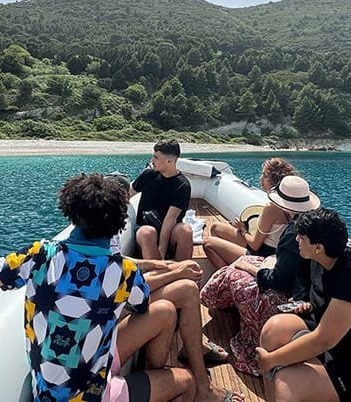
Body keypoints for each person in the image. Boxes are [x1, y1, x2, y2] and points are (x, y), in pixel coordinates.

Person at [0, 173, 194, 402]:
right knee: (186, 381)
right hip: (95, 395)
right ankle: (154, 375)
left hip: (48, 394)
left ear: (71, 212)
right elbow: (141, 305)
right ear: (120, 224)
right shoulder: (123, 272)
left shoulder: (38, 255)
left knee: (164, 313)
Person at [106, 173, 241, 402]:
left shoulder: (47, 256)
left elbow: (117, 264)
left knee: (167, 309)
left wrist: (155, 264)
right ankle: (199, 385)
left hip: (98, 335)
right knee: (186, 289)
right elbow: (133, 293)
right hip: (97, 368)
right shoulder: (99, 254)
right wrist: (175, 271)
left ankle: (163, 369)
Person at [255, 209, 351, 402]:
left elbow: (323, 341)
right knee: (273, 329)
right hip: (338, 346)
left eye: (301, 237)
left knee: (287, 383)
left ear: (317, 247)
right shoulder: (320, 260)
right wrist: (310, 305)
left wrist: (271, 360)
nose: (296, 239)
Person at [200, 176, 320, 376]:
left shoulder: (294, 234)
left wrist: (250, 268)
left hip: (287, 292)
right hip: (292, 281)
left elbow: (277, 279)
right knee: (237, 267)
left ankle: (231, 306)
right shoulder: (310, 226)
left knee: (233, 270)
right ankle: (231, 299)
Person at [203, 158, 301, 268]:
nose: (260, 178)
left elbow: (255, 245)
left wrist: (243, 229)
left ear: (273, 180)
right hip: (271, 248)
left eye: (264, 176)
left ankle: (225, 274)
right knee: (216, 227)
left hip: (264, 254)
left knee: (208, 243)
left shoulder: (272, 207)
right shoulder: (292, 205)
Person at [131, 139, 192, 261]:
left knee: (185, 231)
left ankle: (183, 271)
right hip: (145, 230)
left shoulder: (182, 185)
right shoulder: (148, 175)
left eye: (156, 158)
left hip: (169, 232)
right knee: (148, 232)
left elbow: (170, 219)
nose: (152, 161)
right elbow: (128, 194)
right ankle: (158, 273)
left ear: (169, 161)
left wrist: (162, 251)